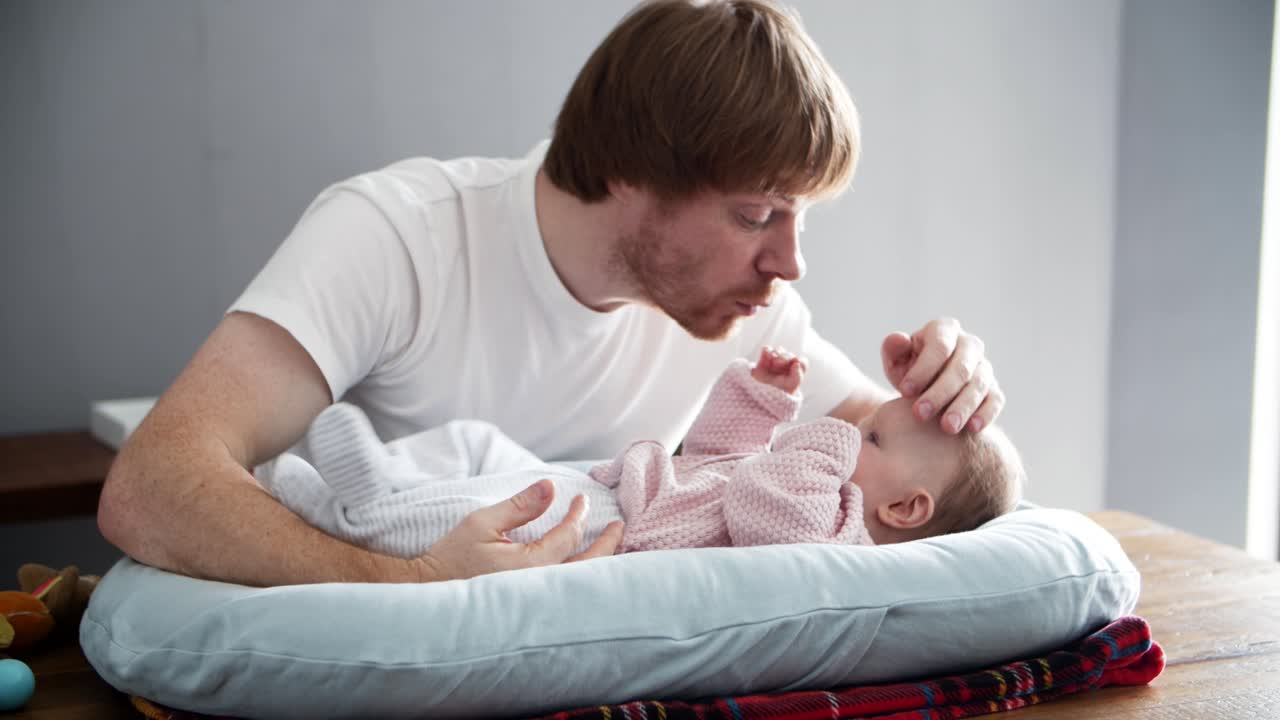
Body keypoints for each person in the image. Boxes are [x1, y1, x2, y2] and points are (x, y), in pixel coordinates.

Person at [98, 0, 1006, 587]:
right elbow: (149, 488)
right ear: (627, 172)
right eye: (758, 213)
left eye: (800, 217)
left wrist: (944, 383)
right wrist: (409, 586)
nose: (789, 265)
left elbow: (886, 468)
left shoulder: (747, 308)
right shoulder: (397, 235)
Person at [257, 347, 1024, 578]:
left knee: (473, 518)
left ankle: (357, 511)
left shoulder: (837, 539)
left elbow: (761, 502)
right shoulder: (816, 486)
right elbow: (725, 458)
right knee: (481, 458)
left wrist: (827, 436)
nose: (853, 432)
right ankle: (363, 490)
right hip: (623, 484)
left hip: (621, 525)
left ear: (907, 510)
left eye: (877, 441)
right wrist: (759, 401)